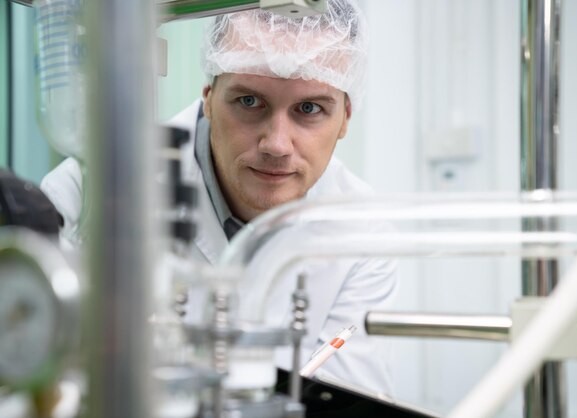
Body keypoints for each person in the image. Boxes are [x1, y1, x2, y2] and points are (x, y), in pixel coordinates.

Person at [41, 0, 397, 395]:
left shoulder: (363, 229)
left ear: (346, 117)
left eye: (309, 108)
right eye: (249, 101)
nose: (276, 144)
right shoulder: (91, 190)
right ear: (209, 96)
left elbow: (352, 399)